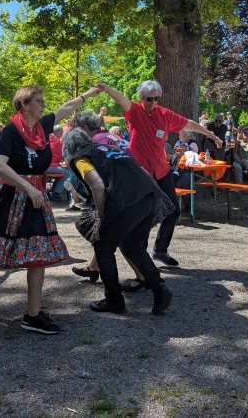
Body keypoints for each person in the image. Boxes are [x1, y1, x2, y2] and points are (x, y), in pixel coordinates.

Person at [0, 85, 100, 334]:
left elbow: (66, 108)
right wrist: (27, 186)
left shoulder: (42, 126)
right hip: (10, 197)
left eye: (43, 101)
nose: (43, 105)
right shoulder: (11, 132)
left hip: (35, 198)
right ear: (24, 104)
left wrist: (88, 95)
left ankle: (32, 314)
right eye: (38, 101)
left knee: (38, 251)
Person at [97, 80, 221, 268]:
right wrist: (106, 88)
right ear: (141, 98)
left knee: (173, 210)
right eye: (149, 99)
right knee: (144, 214)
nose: (153, 102)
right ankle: (141, 258)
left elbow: (189, 124)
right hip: (139, 172)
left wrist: (211, 135)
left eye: (156, 99)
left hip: (160, 170)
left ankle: (160, 250)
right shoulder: (136, 111)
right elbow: (121, 99)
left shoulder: (165, 114)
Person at [64, 128, 174, 314]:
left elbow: (97, 186)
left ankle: (114, 300)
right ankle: (159, 288)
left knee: (103, 248)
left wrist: (100, 216)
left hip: (129, 200)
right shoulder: (108, 148)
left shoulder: (81, 158)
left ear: (71, 147)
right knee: (132, 245)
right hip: (151, 195)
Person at [46, 124, 70, 202]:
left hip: (41, 165)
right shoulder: (58, 143)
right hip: (49, 166)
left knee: (61, 172)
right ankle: (55, 193)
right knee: (67, 173)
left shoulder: (46, 138)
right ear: (60, 133)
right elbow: (63, 156)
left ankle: (52, 192)